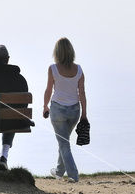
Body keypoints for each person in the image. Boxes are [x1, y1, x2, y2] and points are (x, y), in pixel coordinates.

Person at [43, 37, 87, 183]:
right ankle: (59, 171)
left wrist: (45, 106)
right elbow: (82, 93)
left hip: (58, 110)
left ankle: (73, 175)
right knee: (64, 141)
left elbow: (49, 90)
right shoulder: (79, 69)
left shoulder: (53, 68)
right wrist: (84, 115)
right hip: (75, 111)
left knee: (63, 143)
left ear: (57, 52)